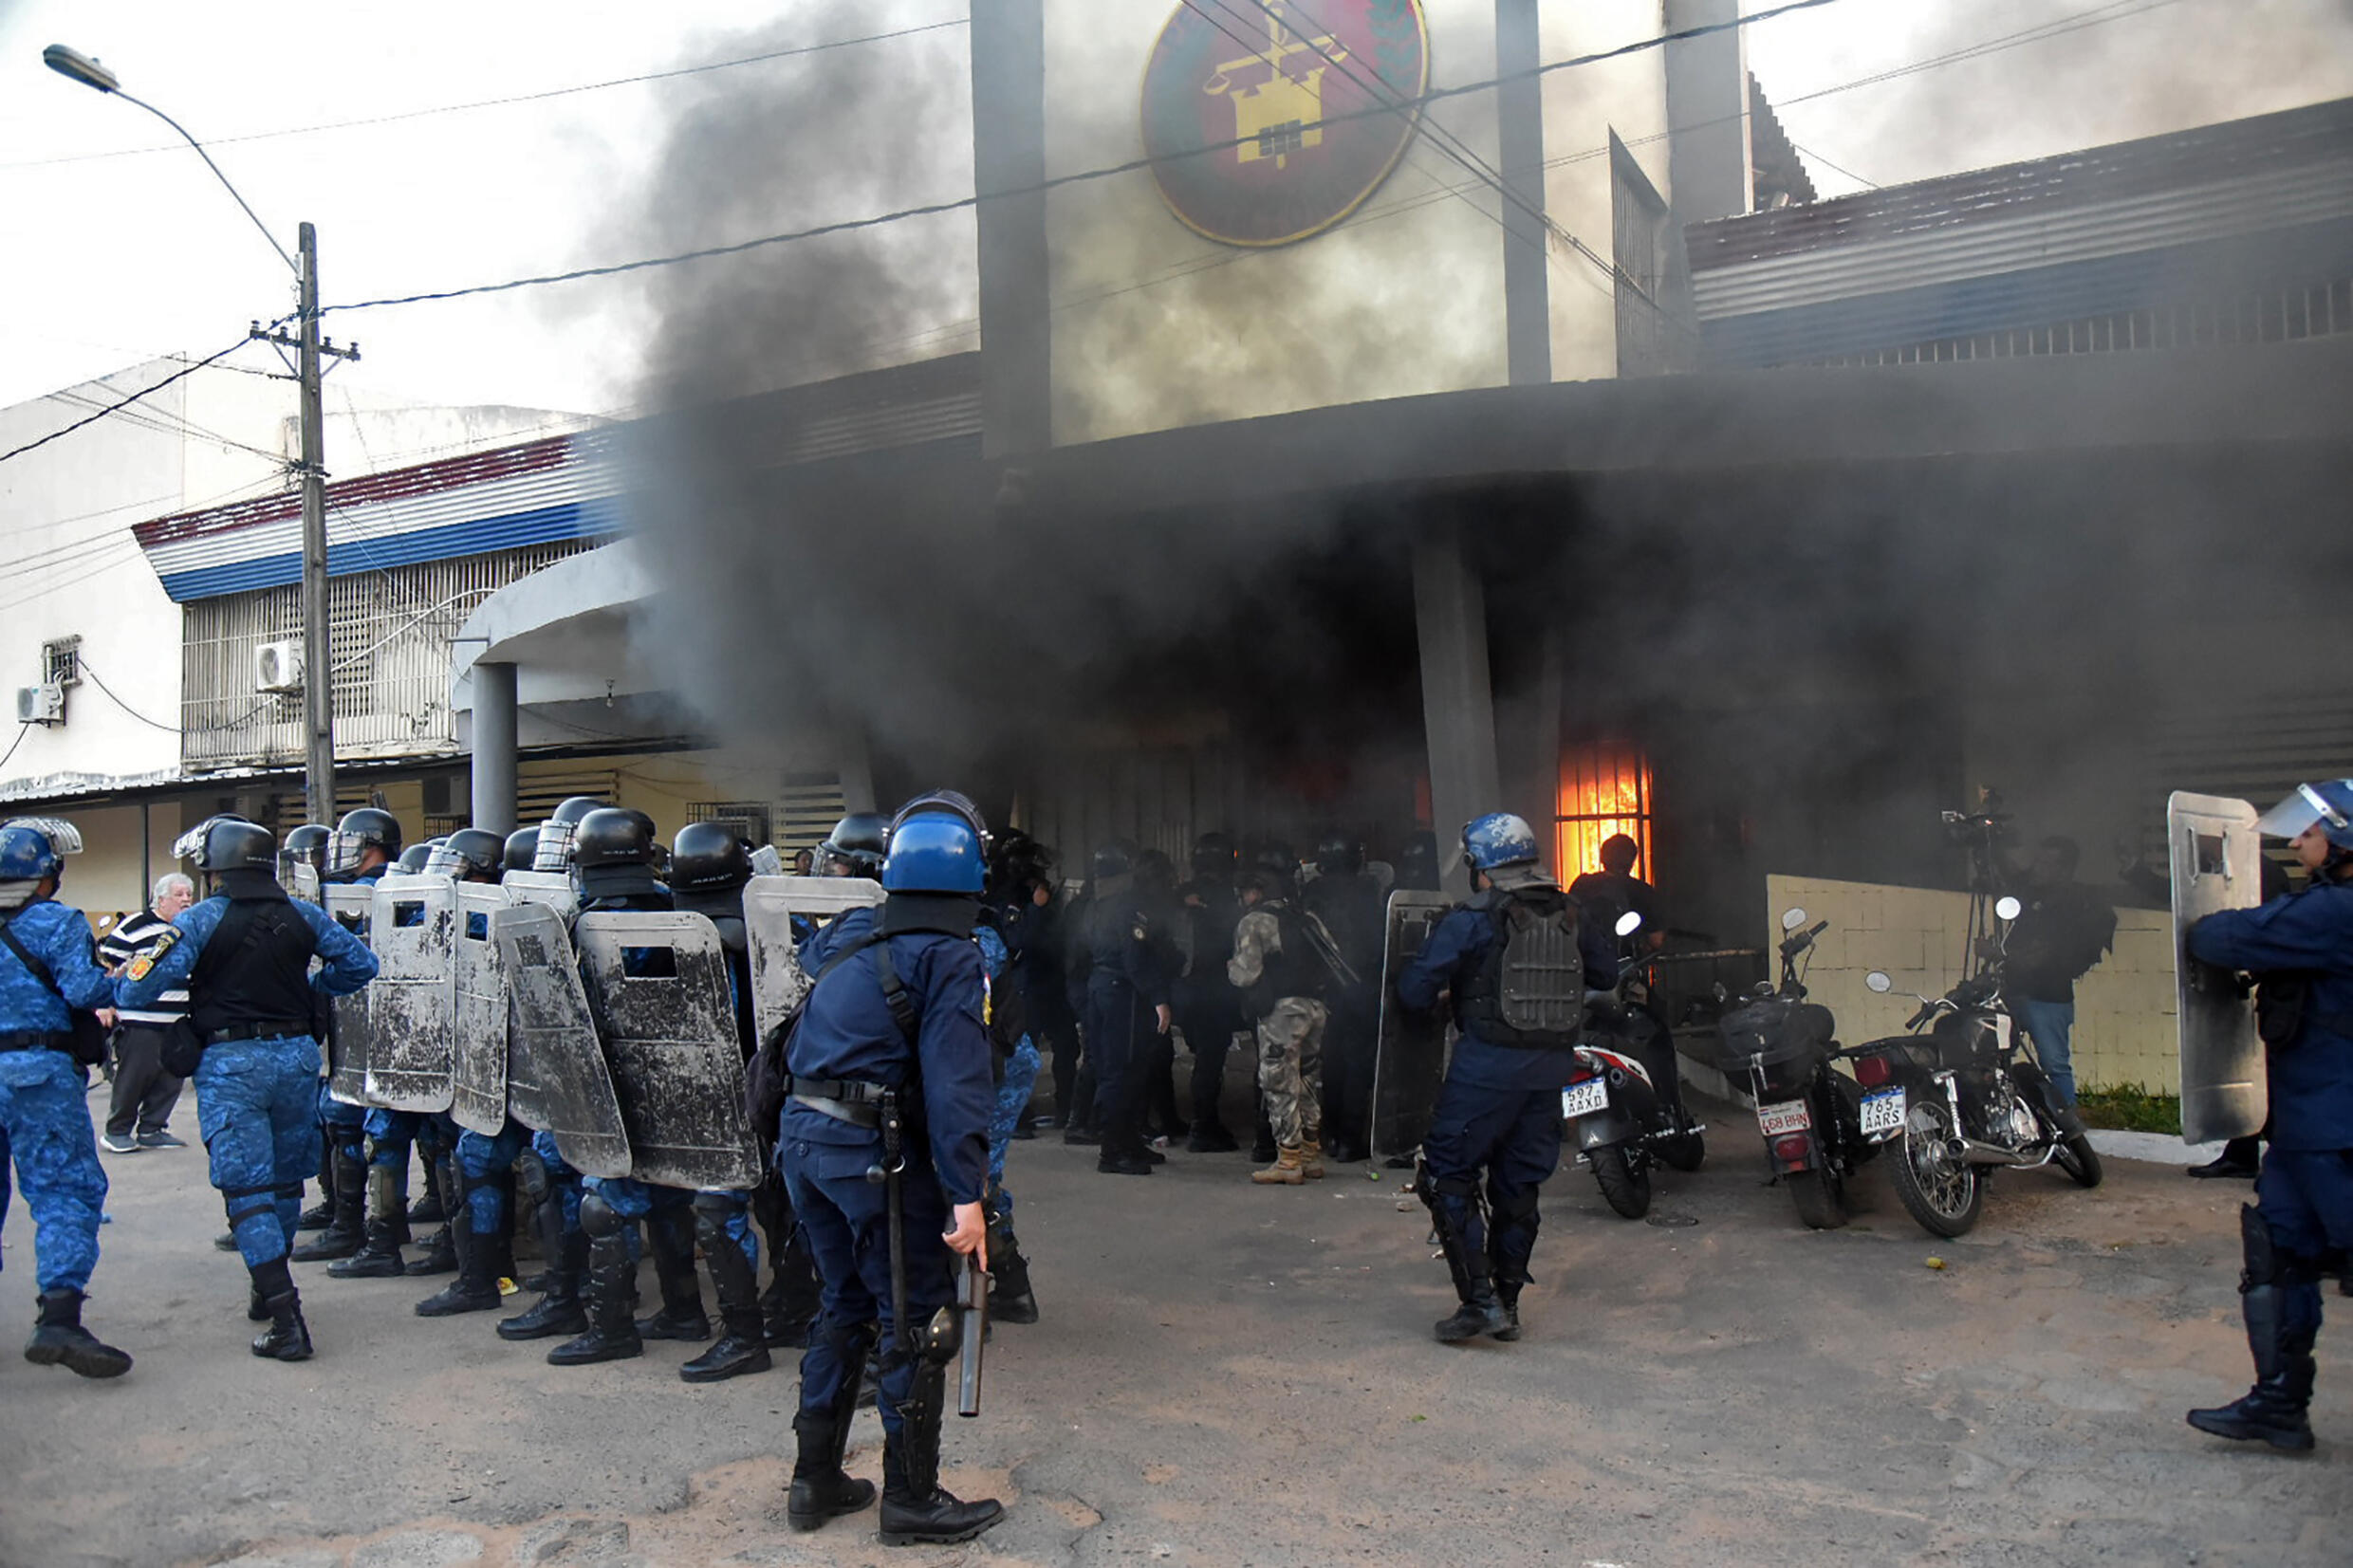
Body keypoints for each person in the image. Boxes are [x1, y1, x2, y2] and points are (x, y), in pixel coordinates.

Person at [779, 792, 1003, 1545]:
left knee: (843, 1304)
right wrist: (968, 1196)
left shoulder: (852, 930)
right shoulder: (952, 955)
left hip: (803, 1139)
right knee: (919, 1322)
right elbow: (955, 1084)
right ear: (972, 871)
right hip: (871, 1153)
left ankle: (814, 1482)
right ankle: (910, 1501)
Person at [119, 816, 378, 1359]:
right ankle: (267, 1287)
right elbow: (361, 963)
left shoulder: (198, 922)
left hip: (232, 1064)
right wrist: (311, 990)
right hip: (297, 1061)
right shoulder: (305, 915)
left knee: (247, 1190)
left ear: (216, 866)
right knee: (285, 1183)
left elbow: (139, 990)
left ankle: (287, 1321)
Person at [1397, 812, 1618, 1344]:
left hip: (1484, 1070)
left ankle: (1479, 1302)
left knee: (1447, 1174)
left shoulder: (1472, 918)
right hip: (1550, 1070)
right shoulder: (1572, 912)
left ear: (1481, 866)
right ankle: (1510, 1304)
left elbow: (1414, 989)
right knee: (1518, 1186)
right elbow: (1606, 974)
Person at [2183, 780, 2353, 1453]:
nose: (2296, 842)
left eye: (2308, 834)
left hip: (2338, 1129)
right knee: (2280, 1254)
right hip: (2307, 1127)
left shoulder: (2335, 913)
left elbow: (2218, 936)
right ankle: (2280, 1404)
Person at [0, 819, 134, 1378]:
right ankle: (58, 1317)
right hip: (38, 1074)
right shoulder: (57, 923)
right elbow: (84, 991)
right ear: (47, 876)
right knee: (65, 1191)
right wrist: (122, 979)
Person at [291, 805, 402, 1264]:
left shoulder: (356, 895)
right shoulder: (401, 886)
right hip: (400, 1027)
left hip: (363, 1026)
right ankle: (369, 1226)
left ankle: (355, 1228)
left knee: (350, 1126)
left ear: (372, 846)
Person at [1075, 844, 1176, 1177]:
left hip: (1100, 988)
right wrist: (1158, 998)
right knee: (1125, 1071)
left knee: (1111, 1069)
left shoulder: (1093, 905)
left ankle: (1128, 1142)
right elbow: (1135, 956)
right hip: (1124, 995)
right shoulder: (1128, 907)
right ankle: (1114, 1150)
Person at [1230, 867, 1331, 1186]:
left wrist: (1230, 967)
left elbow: (1245, 974)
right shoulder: (1307, 917)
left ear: (1257, 891)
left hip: (1283, 1013)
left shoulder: (1254, 921)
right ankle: (1311, 1155)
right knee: (1308, 1079)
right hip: (1316, 1008)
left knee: (1279, 1080)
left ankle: (1289, 1161)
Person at [2002, 836, 2117, 1108]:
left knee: (2054, 1064)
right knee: (1997, 1056)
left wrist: (1999, 955)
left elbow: (2043, 956)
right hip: (2015, 989)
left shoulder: (2073, 905)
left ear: (2064, 869)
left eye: (2046, 863)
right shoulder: (2031, 894)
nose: (2037, 868)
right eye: (2037, 861)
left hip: (2047, 997)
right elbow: (2012, 874)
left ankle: (2067, 1124)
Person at [95, 872, 197, 1153]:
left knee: (171, 1077)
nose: (186, 900)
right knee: (134, 1077)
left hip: (178, 1019)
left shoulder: (191, 929)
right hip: (140, 1018)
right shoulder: (135, 926)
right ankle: (117, 1131)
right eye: (179, 895)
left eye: (189, 894)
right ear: (161, 898)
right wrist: (103, 1003)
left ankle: (153, 1127)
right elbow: (106, 963)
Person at [1304, 833, 1385, 1164]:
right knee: (1357, 1065)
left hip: (1323, 989)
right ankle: (1350, 1140)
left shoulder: (1311, 893)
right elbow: (1379, 942)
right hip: (1360, 987)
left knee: (1330, 1062)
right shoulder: (1368, 893)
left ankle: (1329, 1134)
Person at [1175, 833, 1245, 1153]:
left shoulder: (1181, 894)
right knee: (1210, 1060)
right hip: (1213, 990)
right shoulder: (1223, 898)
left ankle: (1202, 1123)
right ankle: (1203, 1127)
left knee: (1205, 1057)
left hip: (1185, 988)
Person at [1567, 834, 1663, 952]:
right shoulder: (1643, 891)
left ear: (1602, 858)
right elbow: (1656, 940)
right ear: (1632, 861)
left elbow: (1567, 922)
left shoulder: (1582, 884)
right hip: (1625, 965)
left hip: (1583, 961)